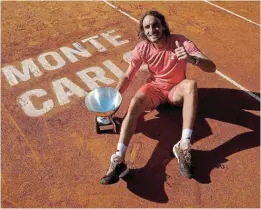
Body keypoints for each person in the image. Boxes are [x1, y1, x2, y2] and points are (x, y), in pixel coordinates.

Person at [100, 10, 216, 185]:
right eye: (147, 27)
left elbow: (212, 67)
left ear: (163, 26)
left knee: (191, 85)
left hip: (175, 90)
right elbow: (127, 76)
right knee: (135, 102)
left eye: (155, 25)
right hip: (155, 88)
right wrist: (114, 99)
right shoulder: (142, 48)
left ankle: (183, 145)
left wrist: (192, 59)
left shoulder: (180, 41)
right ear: (143, 31)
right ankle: (118, 159)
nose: (151, 30)